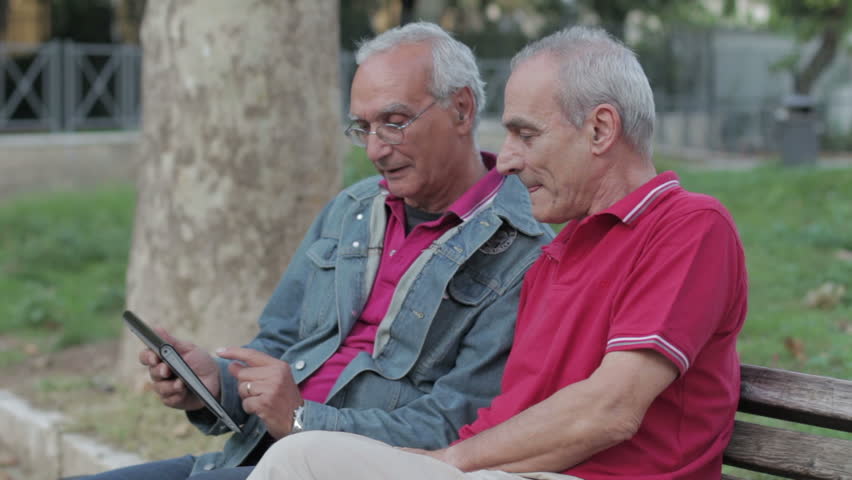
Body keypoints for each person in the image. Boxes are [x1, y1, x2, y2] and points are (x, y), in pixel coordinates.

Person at [246, 25, 749, 480]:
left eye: (526, 134)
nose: (505, 160)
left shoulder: (688, 226)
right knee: (299, 457)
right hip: (503, 470)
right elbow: (510, 412)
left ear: (599, 130)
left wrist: (448, 464)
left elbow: (610, 412)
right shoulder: (562, 252)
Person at [79, 22, 553, 480]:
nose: (374, 150)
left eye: (393, 123)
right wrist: (215, 384)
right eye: (362, 128)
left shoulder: (523, 253)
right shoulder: (353, 209)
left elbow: (456, 426)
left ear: (462, 109)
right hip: (246, 458)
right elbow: (278, 346)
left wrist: (305, 419)